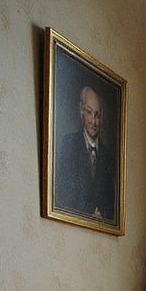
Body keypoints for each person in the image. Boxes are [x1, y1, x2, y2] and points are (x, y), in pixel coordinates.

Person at [55, 85, 116, 220]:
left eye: (97, 115)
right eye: (89, 112)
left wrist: (103, 216)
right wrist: (88, 213)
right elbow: (63, 193)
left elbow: (111, 202)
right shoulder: (69, 144)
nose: (93, 121)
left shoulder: (107, 156)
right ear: (81, 111)